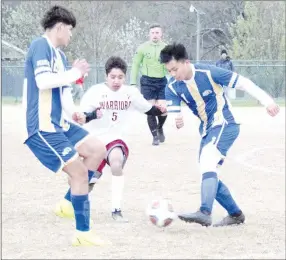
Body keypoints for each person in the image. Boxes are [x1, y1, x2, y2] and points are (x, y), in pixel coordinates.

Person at [160, 43, 280, 227]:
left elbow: (243, 83)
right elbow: (173, 105)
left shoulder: (209, 73)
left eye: (175, 69)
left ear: (186, 62)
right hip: (208, 129)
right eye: (169, 71)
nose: (173, 74)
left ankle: (204, 211)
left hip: (226, 122)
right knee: (209, 172)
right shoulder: (173, 86)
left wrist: (267, 101)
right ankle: (235, 214)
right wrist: (177, 117)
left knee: (208, 161)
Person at [22, 5, 108, 246]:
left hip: (60, 124)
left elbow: (64, 93)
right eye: (69, 30)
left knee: (97, 149)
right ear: (59, 27)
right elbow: (43, 81)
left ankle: (68, 203)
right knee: (79, 172)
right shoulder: (40, 46)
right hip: (43, 127)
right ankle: (83, 234)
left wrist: (76, 113)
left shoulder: (60, 56)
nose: (70, 35)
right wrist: (74, 72)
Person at [55, 56, 166, 223]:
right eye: (113, 77)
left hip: (116, 139)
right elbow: (82, 117)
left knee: (116, 163)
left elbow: (148, 108)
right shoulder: (95, 92)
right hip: (95, 141)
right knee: (86, 181)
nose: (116, 81)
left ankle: (116, 210)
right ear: (106, 76)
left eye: (120, 77)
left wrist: (161, 110)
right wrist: (93, 115)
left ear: (125, 77)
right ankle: (69, 203)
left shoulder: (131, 93)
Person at [130, 24, 168, 146]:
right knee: (150, 109)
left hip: (162, 81)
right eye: (152, 33)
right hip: (147, 81)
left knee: (163, 110)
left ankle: (160, 127)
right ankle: (155, 136)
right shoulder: (142, 48)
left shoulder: (167, 48)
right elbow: (135, 64)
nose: (155, 35)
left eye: (157, 33)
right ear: (149, 34)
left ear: (161, 34)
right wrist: (132, 83)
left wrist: (175, 79)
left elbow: (172, 65)